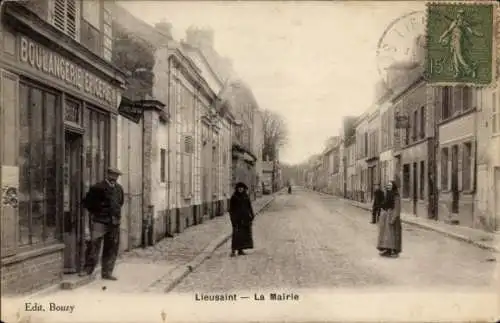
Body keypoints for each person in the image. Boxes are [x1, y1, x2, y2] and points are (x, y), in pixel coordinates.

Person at [80, 167, 124, 280]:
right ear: (108, 174)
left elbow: (120, 203)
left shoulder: (119, 189)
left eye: (117, 176)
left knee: (111, 248)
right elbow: (87, 203)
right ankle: (87, 270)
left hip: (114, 223)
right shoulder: (97, 187)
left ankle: (107, 273)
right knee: (94, 246)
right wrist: (98, 212)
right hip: (100, 222)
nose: (115, 178)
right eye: (113, 175)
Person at [377, 180, 402, 258]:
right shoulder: (388, 194)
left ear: (393, 186)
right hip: (387, 217)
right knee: (387, 235)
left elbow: (397, 208)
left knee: (393, 235)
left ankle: (394, 251)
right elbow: (385, 204)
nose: (389, 187)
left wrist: (393, 218)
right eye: (388, 185)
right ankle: (387, 250)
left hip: (392, 217)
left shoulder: (396, 195)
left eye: (390, 185)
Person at [229, 182, 255, 257]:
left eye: (242, 188)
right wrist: (233, 219)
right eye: (239, 188)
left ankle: (240, 250)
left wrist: (251, 215)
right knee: (236, 235)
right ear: (237, 189)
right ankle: (233, 250)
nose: (240, 189)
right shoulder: (234, 197)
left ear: (243, 189)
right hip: (237, 219)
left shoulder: (246, 196)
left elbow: (249, 207)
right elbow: (231, 210)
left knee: (243, 235)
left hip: (245, 219)